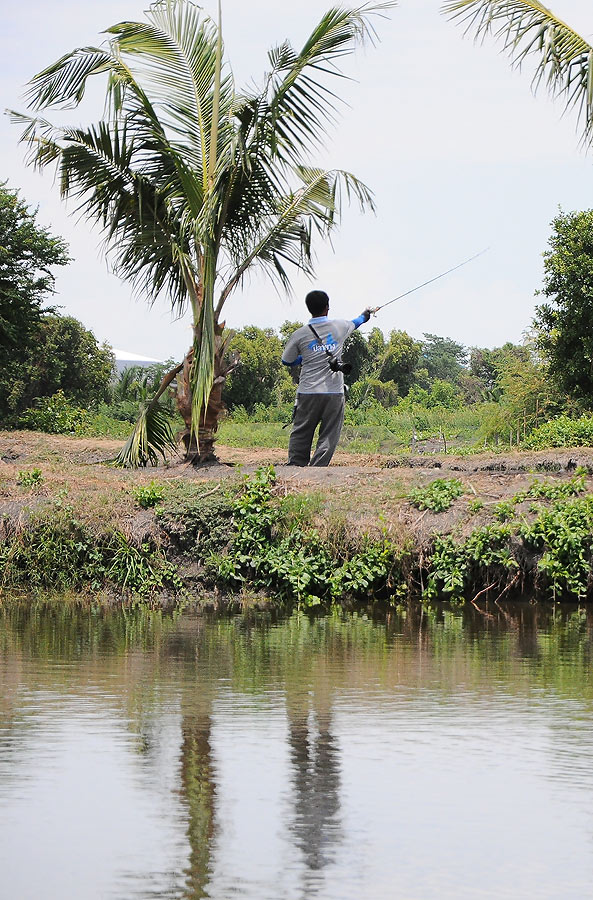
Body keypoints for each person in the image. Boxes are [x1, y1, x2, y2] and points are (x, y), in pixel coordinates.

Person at [282, 290, 371, 466]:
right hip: (334, 392)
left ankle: (296, 465)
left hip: (307, 391)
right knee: (329, 433)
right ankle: (318, 469)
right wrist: (366, 314)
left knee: (301, 430)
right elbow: (358, 322)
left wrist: (306, 357)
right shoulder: (339, 326)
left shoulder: (300, 334)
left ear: (309, 309)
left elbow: (287, 360)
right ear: (327, 307)